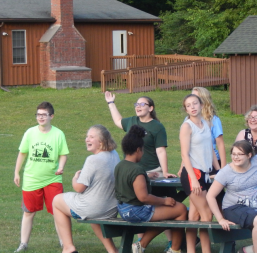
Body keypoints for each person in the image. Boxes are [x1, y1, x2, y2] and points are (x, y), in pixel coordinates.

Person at [105, 91, 177, 249]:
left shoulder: (157, 126)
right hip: (133, 172)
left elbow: (161, 150)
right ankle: (140, 243)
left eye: (142, 104)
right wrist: (111, 103)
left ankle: (171, 242)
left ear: (150, 108)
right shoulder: (132, 121)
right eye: (136, 104)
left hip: (153, 171)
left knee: (164, 204)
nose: (138, 107)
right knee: (138, 202)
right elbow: (118, 121)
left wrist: (164, 172)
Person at [114, 125, 188, 253]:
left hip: (123, 209)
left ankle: (142, 245)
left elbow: (129, 180)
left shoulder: (120, 165)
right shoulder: (137, 169)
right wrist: (164, 201)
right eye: (142, 150)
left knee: (173, 211)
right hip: (136, 211)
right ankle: (174, 249)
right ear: (138, 150)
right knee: (180, 209)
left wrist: (145, 176)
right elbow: (144, 197)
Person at [52, 125, 120, 253]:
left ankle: (68, 247)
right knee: (94, 210)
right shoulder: (114, 154)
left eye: (91, 137)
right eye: (87, 136)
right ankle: (112, 250)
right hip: (111, 208)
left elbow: (79, 188)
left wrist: (74, 178)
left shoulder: (93, 159)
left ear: (101, 141)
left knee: (56, 201)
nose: (87, 139)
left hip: (95, 208)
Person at [206, 140, 257, 253]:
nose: (236, 157)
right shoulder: (226, 172)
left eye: (240, 154)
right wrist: (220, 219)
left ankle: (245, 251)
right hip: (234, 208)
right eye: (233, 154)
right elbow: (210, 196)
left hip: (256, 209)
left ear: (249, 155)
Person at [13, 102, 69, 252]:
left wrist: (61, 166)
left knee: (58, 212)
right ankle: (23, 244)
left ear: (51, 116)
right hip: (32, 179)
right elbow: (22, 153)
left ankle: (65, 243)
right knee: (28, 212)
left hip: (53, 179)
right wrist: (16, 172)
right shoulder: (30, 133)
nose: (40, 117)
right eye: (38, 114)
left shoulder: (58, 134)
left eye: (44, 115)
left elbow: (63, 154)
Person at [179, 94, 220, 253]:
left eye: (195, 103)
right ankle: (206, 250)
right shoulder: (187, 126)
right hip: (192, 174)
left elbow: (211, 148)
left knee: (194, 215)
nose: (192, 107)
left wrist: (219, 170)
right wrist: (194, 181)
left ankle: (190, 250)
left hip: (206, 173)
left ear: (201, 105)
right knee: (207, 213)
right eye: (188, 105)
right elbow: (184, 155)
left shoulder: (206, 123)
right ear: (186, 109)